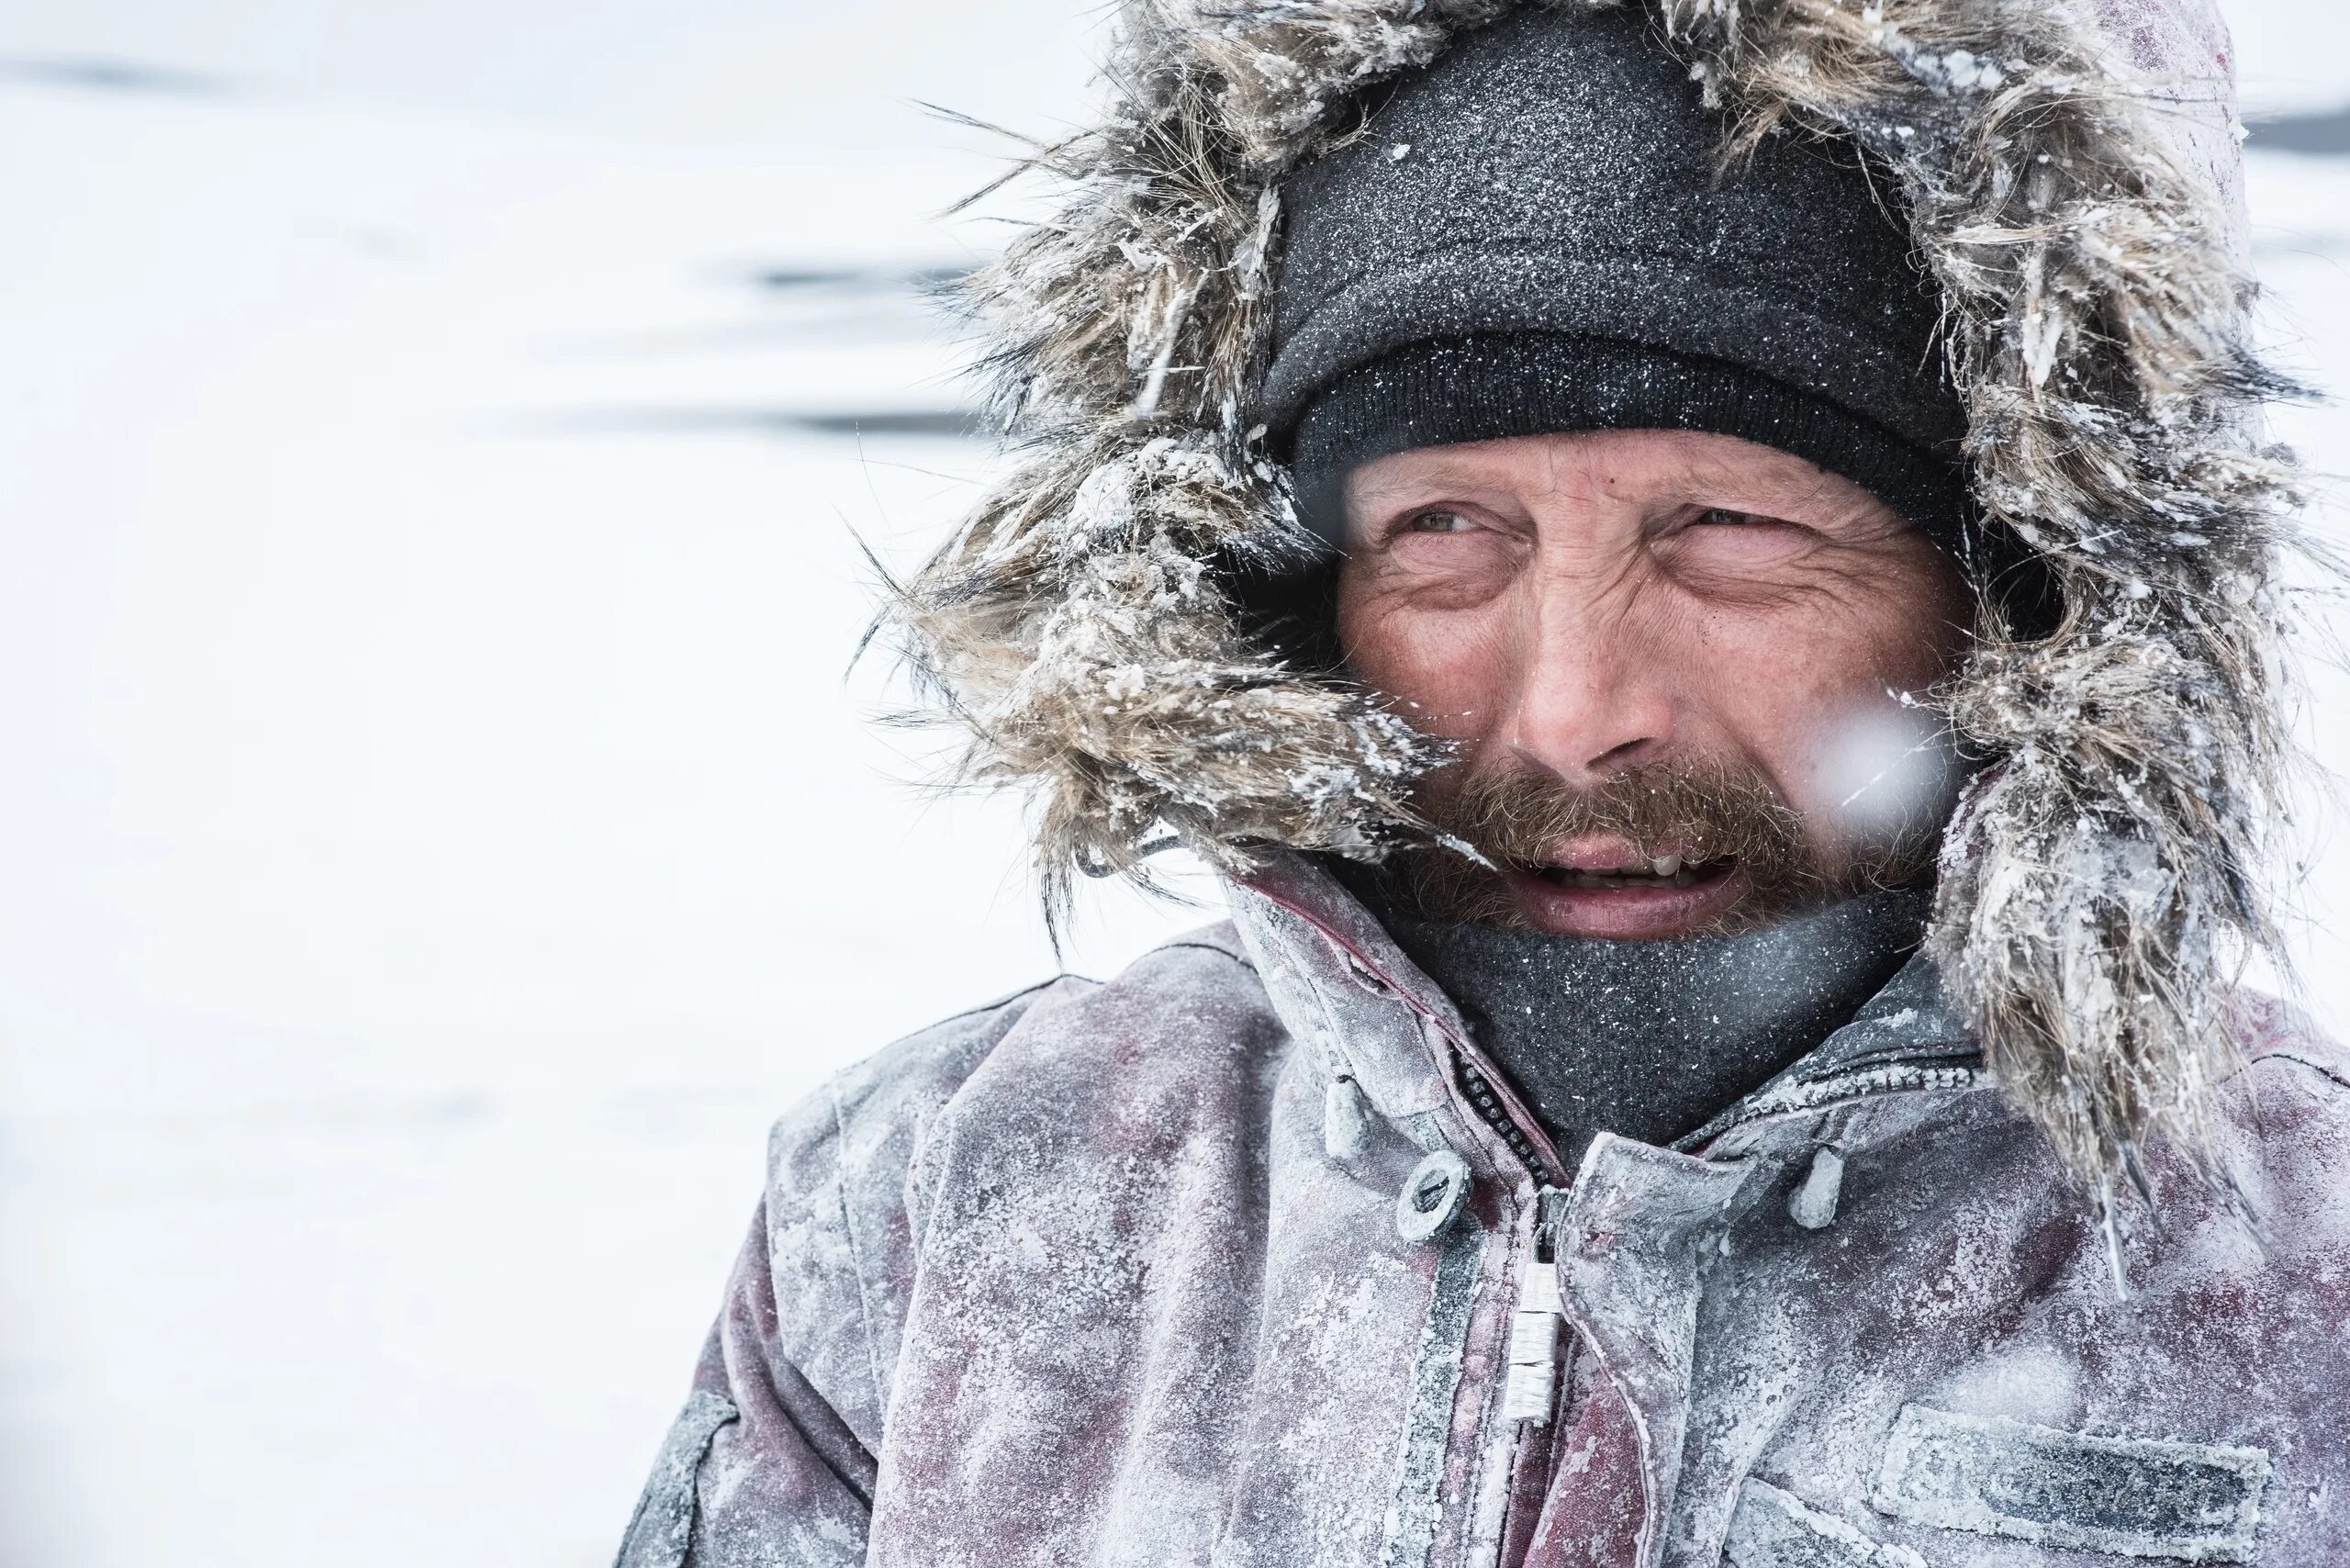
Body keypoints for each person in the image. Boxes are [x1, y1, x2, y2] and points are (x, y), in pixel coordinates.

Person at [615, 3, 2350, 1565]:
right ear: (1288, 600)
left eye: (1732, 534)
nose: (1578, 712)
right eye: (1446, 534)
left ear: (2029, 593)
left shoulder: (2305, 1278)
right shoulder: (946, 1189)